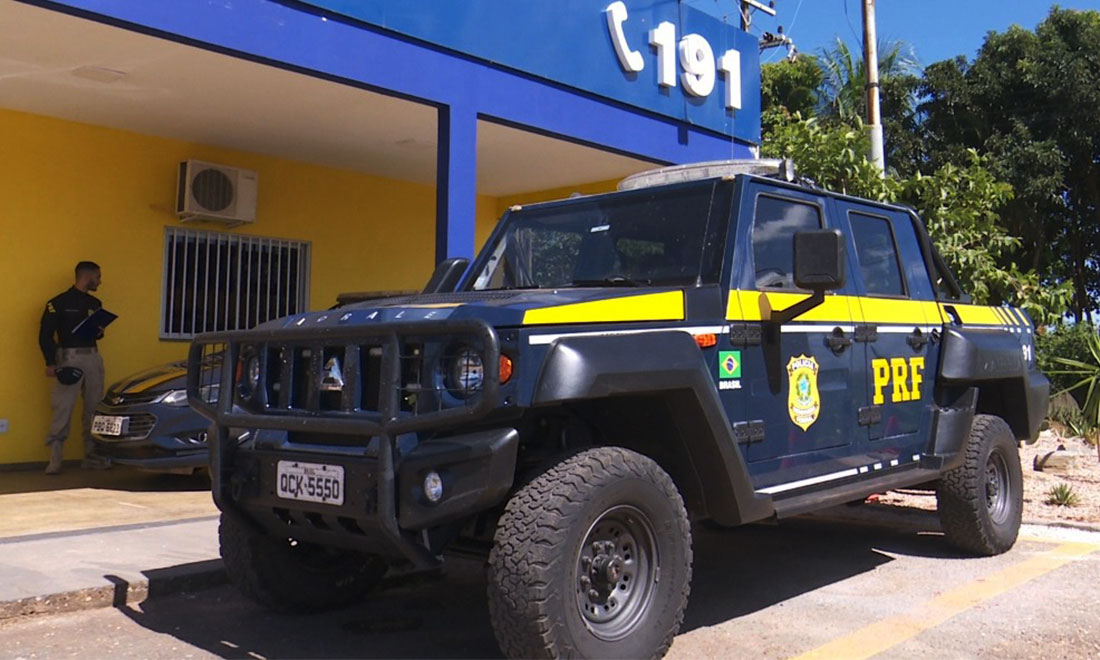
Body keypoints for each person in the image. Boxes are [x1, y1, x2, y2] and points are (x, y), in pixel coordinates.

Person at [39, 261, 109, 474]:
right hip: (69, 358)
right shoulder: (58, 303)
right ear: (87, 277)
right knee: (63, 408)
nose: (100, 281)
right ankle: (55, 459)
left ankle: (92, 456)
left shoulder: (95, 303)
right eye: (97, 277)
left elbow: (97, 333)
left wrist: (99, 331)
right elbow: (45, 336)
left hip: (92, 357)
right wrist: (50, 363)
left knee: (94, 408)